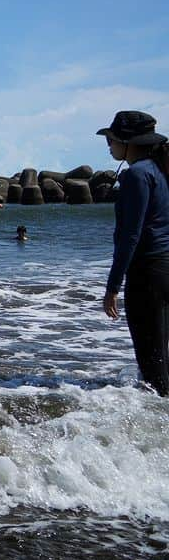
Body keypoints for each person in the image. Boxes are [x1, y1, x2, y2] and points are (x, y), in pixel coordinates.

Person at [98, 110, 169, 396]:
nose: (109, 145)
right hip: (165, 268)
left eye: (112, 139)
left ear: (128, 142)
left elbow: (130, 236)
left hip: (147, 273)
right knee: (161, 353)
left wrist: (113, 287)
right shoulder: (160, 171)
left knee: (151, 362)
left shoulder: (137, 175)